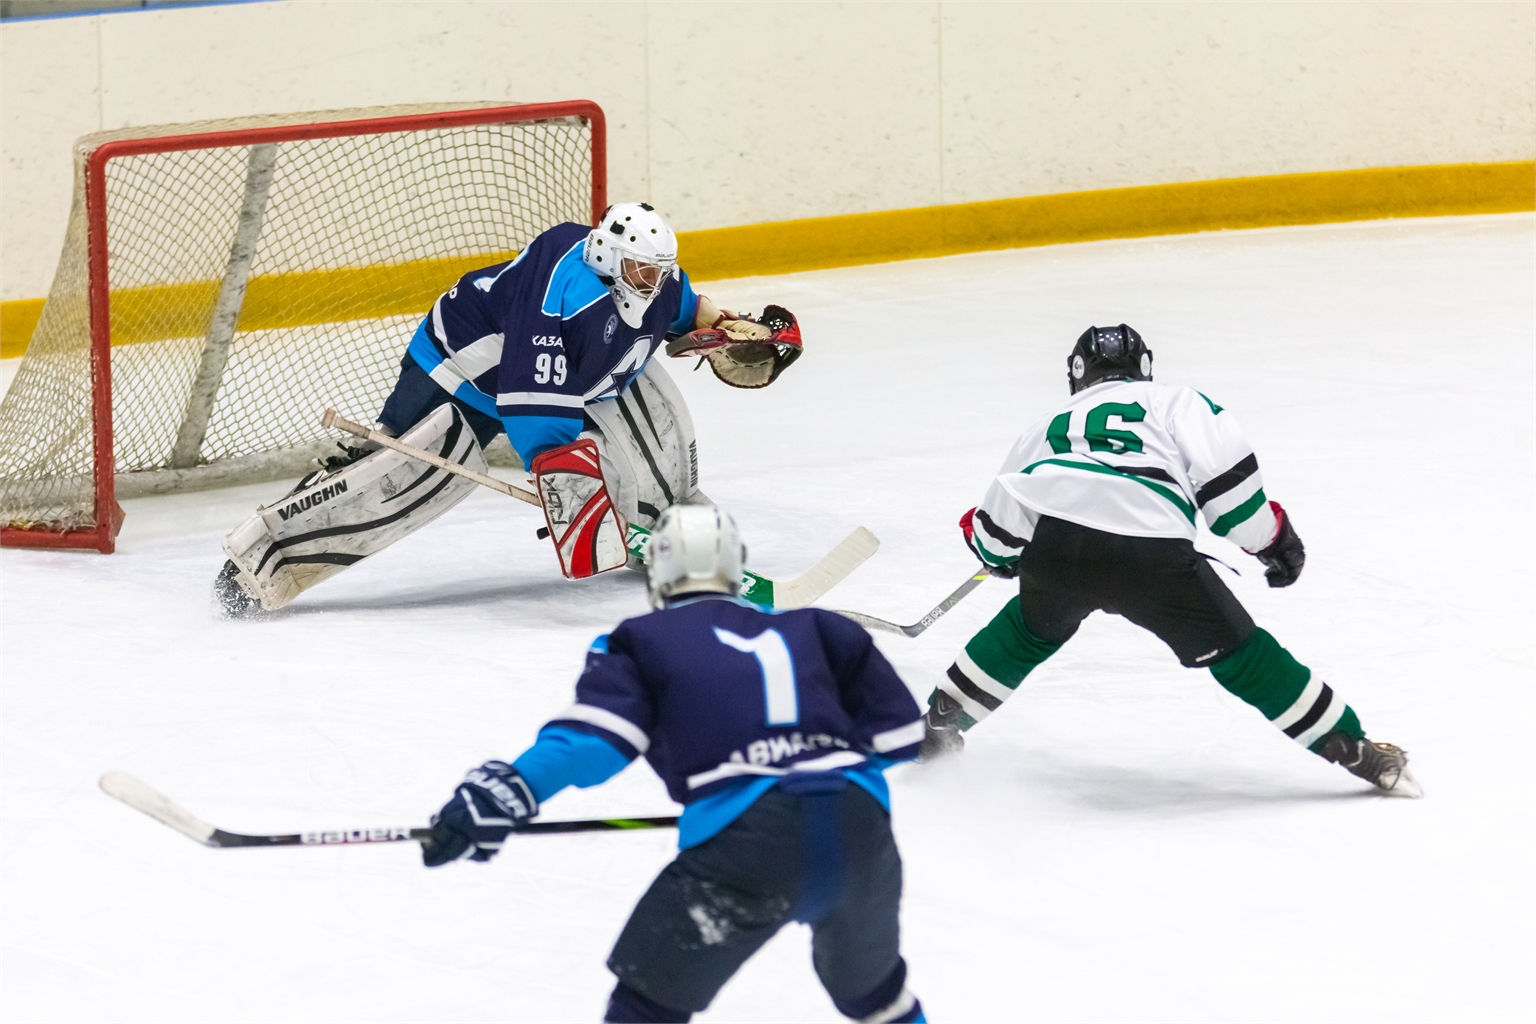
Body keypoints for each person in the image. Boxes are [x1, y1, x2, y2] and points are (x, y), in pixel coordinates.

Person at [422, 505, 928, 1023]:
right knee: (876, 997)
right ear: (737, 568)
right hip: (859, 829)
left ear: (657, 572)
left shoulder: (642, 641)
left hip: (746, 847)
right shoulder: (822, 629)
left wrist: (504, 792)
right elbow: (903, 737)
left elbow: (593, 743)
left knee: (646, 1011)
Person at [215, 202, 802, 615]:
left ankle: (678, 535)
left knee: (653, 417)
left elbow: (679, 304)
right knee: (402, 477)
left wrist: (720, 323)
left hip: (567, 376)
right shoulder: (559, 297)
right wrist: (570, 490)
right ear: (606, 256)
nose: (650, 283)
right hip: (458, 371)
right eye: (642, 270)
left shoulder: (646, 280)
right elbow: (533, 404)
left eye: (658, 271)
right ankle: (263, 557)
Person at [921, 324, 1421, 798]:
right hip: (1150, 553)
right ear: (1144, 367)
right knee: (1242, 656)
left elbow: (996, 524)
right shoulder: (1177, 402)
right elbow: (1229, 495)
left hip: (1060, 551)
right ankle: (1354, 750)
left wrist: (1000, 555)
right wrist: (1272, 541)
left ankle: (939, 727)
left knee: (1028, 630)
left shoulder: (1043, 428)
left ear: (1076, 373)